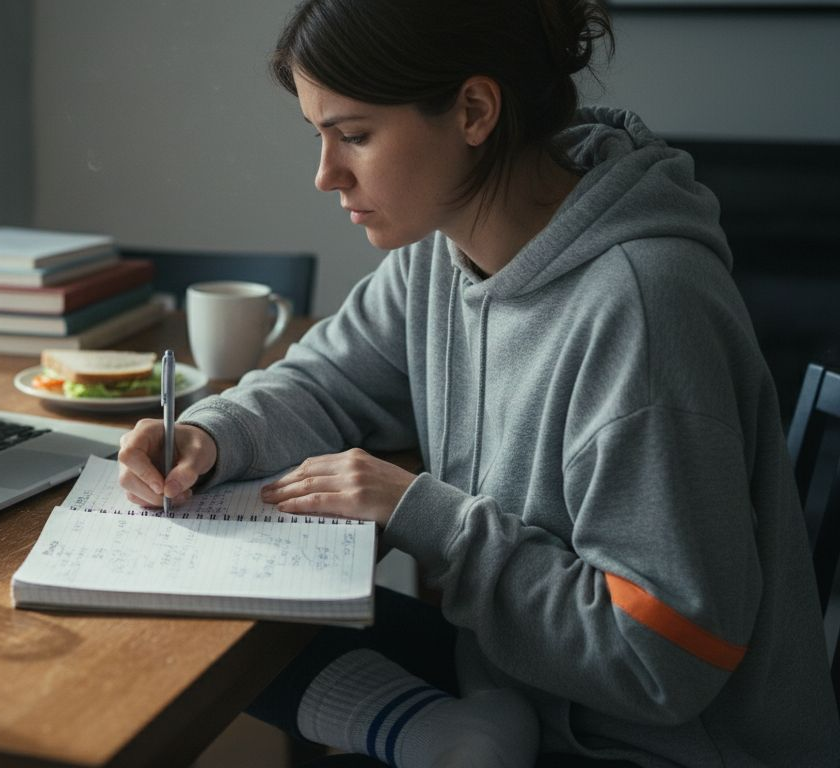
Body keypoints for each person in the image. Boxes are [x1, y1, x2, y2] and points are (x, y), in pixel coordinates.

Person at [116, 0, 840, 765]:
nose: (327, 175)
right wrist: (209, 433)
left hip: (641, 742)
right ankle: (447, 738)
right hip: (516, 685)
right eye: (319, 136)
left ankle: (448, 739)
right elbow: (324, 381)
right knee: (189, 618)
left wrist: (424, 514)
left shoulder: (645, 306)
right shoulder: (441, 253)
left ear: (473, 110)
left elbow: (664, 657)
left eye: (355, 136)